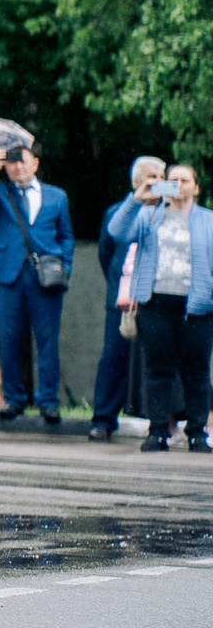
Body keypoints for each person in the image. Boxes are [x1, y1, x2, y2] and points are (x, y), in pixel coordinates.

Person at [103, 164, 213, 452]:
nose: (179, 185)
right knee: (157, 370)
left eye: (185, 180)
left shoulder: (208, 220)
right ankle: (158, 432)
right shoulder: (149, 215)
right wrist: (137, 198)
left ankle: (197, 433)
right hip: (154, 303)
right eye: (173, 179)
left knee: (197, 372)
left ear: (196, 187)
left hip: (196, 306)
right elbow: (116, 232)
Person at [0, 144, 76, 423]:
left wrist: (65, 266)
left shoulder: (57, 196)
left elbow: (66, 236)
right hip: (7, 274)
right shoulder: (1, 191)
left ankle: (48, 400)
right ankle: (13, 398)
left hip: (45, 275)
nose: (17, 167)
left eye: (22, 161)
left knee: (47, 340)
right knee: (9, 337)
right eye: (12, 163)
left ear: (35, 163)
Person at [90, 155, 162, 441]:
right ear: (136, 181)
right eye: (152, 176)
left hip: (159, 299)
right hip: (123, 299)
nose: (158, 182)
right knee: (114, 358)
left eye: (162, 176)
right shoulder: (117, 212)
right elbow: (106, 253)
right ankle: (103, 420)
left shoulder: (170, 212)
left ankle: (161, 423)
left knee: (159, 361)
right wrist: (120, 286)